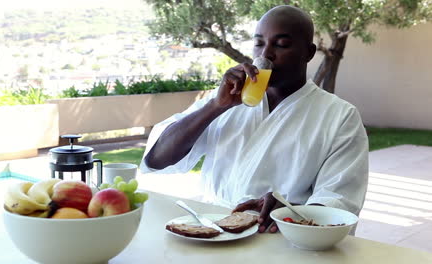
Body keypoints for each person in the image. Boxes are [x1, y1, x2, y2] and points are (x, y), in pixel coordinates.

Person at [140, 5, 368, 233]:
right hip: (211, 232)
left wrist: (289, 211)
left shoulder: (339, 116)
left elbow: (339, 201)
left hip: (279, 240)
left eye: (281, 44)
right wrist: (214, 107)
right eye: (259, 43)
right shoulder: (226, 100)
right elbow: (157, 159)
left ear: (308, 53)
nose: (265, 54)